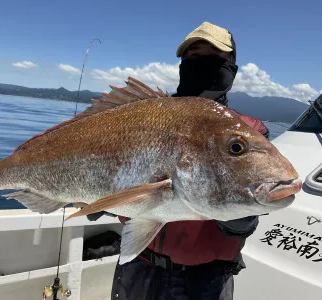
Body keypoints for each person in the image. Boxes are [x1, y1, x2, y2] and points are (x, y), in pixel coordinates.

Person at [106, 22, 270, 300]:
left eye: (211, 57)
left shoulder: (248, 132)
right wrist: (96, 198)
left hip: (206, 280)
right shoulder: (141, 116)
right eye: (192, 58)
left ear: (231, 66)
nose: (200, 64)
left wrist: (243, 215)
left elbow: (248, 216)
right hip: (138, 266)